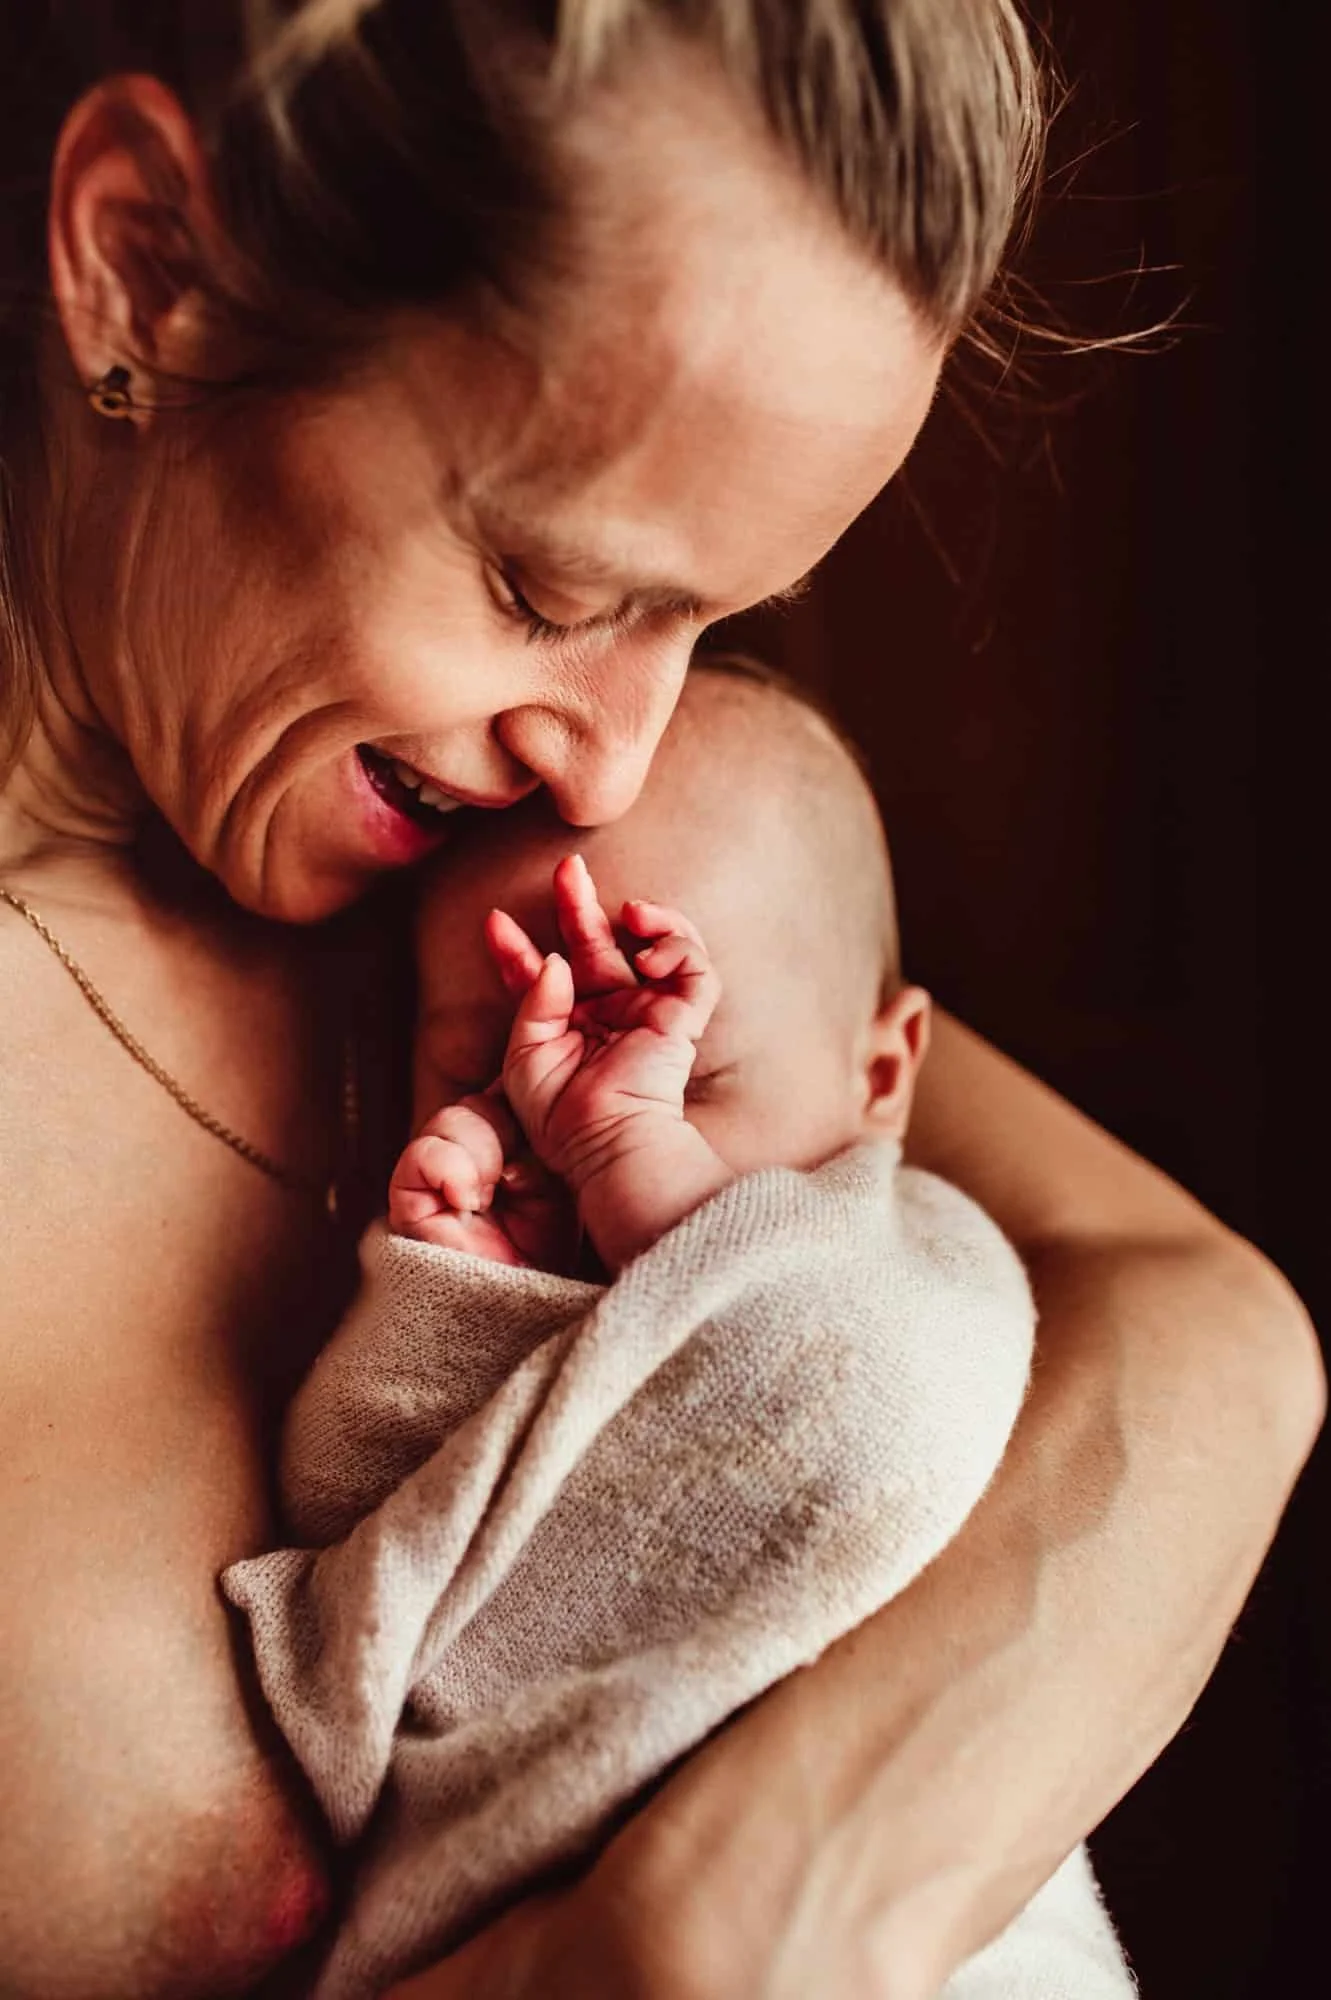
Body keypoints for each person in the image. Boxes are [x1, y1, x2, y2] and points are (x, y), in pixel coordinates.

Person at [0, 7, 1319, 1999]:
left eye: (709, 618)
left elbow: (1199, 1322)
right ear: (145, 272)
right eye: (545, 584)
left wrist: (741, 1905)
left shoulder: (502, 893)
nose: (614, 773)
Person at [222, 660, 1135, 2000]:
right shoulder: (464, 1252)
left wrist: (644, 1177)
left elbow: (871, 1425)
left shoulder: (903, 1262)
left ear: (880, 1076)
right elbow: (356, 1529)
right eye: (482, 1070)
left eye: (677, 1077)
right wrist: (436, 1300)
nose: (565, 1122)